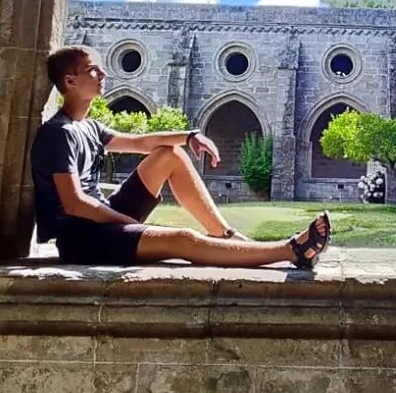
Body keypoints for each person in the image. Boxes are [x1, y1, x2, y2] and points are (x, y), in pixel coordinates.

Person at [31, 46, 330, 268]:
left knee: (169, 155)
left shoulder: (88, 127)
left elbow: (141, 142)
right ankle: (290, 250)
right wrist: (123, 221)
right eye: (93, 69)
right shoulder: (59, 133)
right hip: (82, 238)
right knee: (183, 239)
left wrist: (189, 136)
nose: (103, 73)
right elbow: (74, 203)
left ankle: (224, 234)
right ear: (70, 81)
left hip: (103, 221)